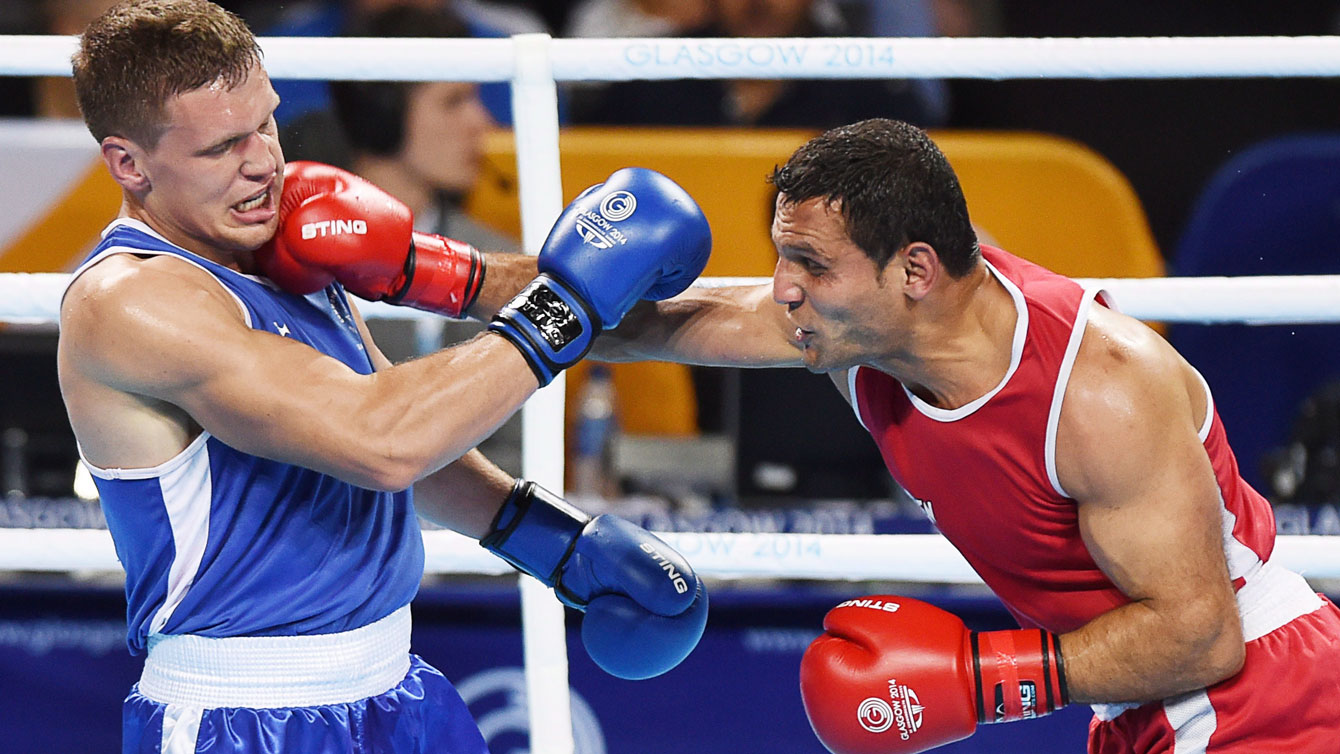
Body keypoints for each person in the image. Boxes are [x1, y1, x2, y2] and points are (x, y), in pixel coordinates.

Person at [58, 2, 709, 752]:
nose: (264, 161)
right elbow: (381, 441)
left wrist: (555, 543)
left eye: (266, 123)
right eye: (224, 146)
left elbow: (395, 430)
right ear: (128, 163)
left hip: (395, 684)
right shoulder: (131, 300)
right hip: (240, 716)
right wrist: (565, 306)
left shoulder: (276, 243)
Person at [596, 118, 1340, 752]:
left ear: (915, 270)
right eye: (784, 258)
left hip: (1258, 695)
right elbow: (643, 321)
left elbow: (1203, 637)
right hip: (1143, 705)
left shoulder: (1098, 388)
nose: (783, 288)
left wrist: (977, 680)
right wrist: (483, 282)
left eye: (812, 264)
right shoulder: (859, 330)